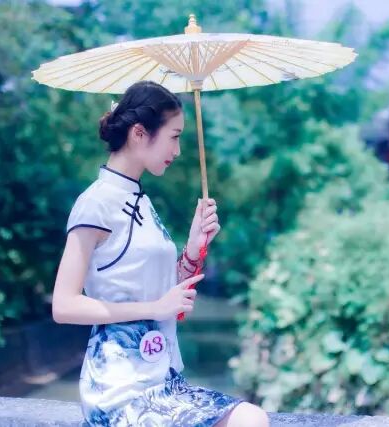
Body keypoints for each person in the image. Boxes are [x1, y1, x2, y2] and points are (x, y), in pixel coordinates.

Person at [52, 80, 270, 427]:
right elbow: (64, 306)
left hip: (163, 378)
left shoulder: (141, 201)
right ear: (139, 133)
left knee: (250, 417)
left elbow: (169, 298)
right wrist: (155, 308)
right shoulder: (95, 203)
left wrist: (194, 247)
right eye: (174, 136)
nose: (178, 150)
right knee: (249, 420)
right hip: (120, 387)